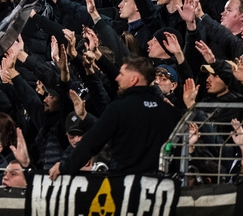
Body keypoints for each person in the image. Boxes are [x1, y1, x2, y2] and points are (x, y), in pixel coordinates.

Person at [49, 57, 180, 178]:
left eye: (122, 74)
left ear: (133, 79)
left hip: (125, 187)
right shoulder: (171, 112)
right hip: (162, 188)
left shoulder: (118, 109)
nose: (117, 78)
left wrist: (65, 166)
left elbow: (91, 143)